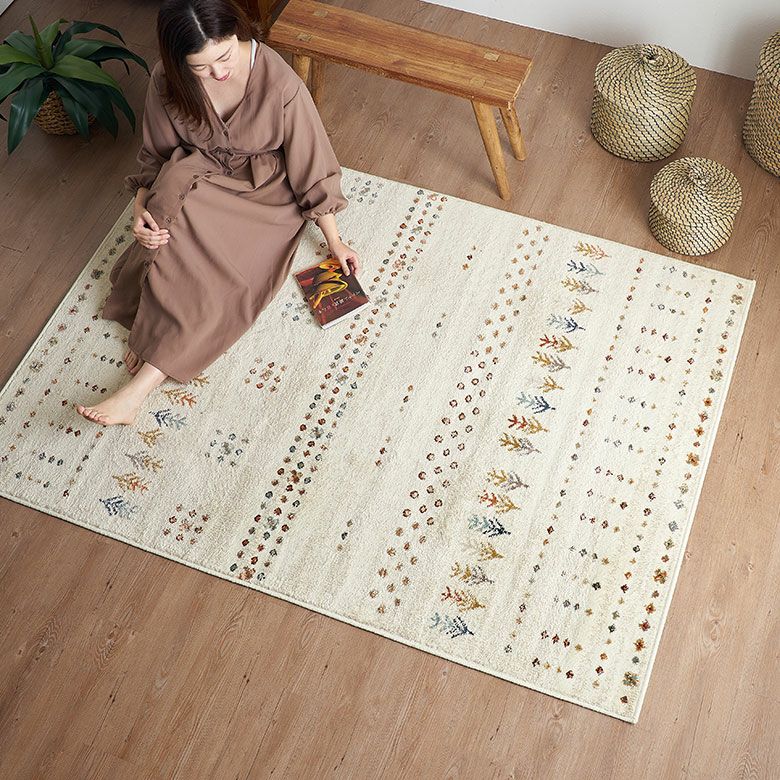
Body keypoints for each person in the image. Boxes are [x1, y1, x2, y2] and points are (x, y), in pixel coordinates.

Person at [75, 0, 360, 427]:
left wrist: (334, 239)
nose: (219, 72)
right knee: (167, 227)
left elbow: (312, 162)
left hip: (265, 191)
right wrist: (140, 210)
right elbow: (156, 156)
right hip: (197, 172)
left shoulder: (279, 81)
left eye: (225, 57)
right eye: (201, 67)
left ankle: (139, 387)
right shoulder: (166, 79)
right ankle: (156, 327)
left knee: (227, 276)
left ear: (237, 34)